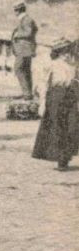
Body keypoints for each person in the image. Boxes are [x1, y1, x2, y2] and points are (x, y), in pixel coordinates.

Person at [32, 37, 78, 171]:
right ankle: (61, 160)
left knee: (72, 127)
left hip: (71, 99)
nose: (66, 55)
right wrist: (42, 103)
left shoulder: (73, 66)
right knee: (58, 128)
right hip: (55, 99)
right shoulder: (51, 66)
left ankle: (67, 155)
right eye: (63, 52)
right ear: (58, 53)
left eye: (68, 52)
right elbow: (43, 85)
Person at [11, 2, 38, 100]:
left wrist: (17, 35)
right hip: (24, 49)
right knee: (26, 71)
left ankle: (27, 93)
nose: (15, 12)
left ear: (19, 10)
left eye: (16, 10)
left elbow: (29, 32)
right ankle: (27, 93)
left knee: (18, 69)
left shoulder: (26, 20)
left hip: (24, 50)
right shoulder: (25, 19)